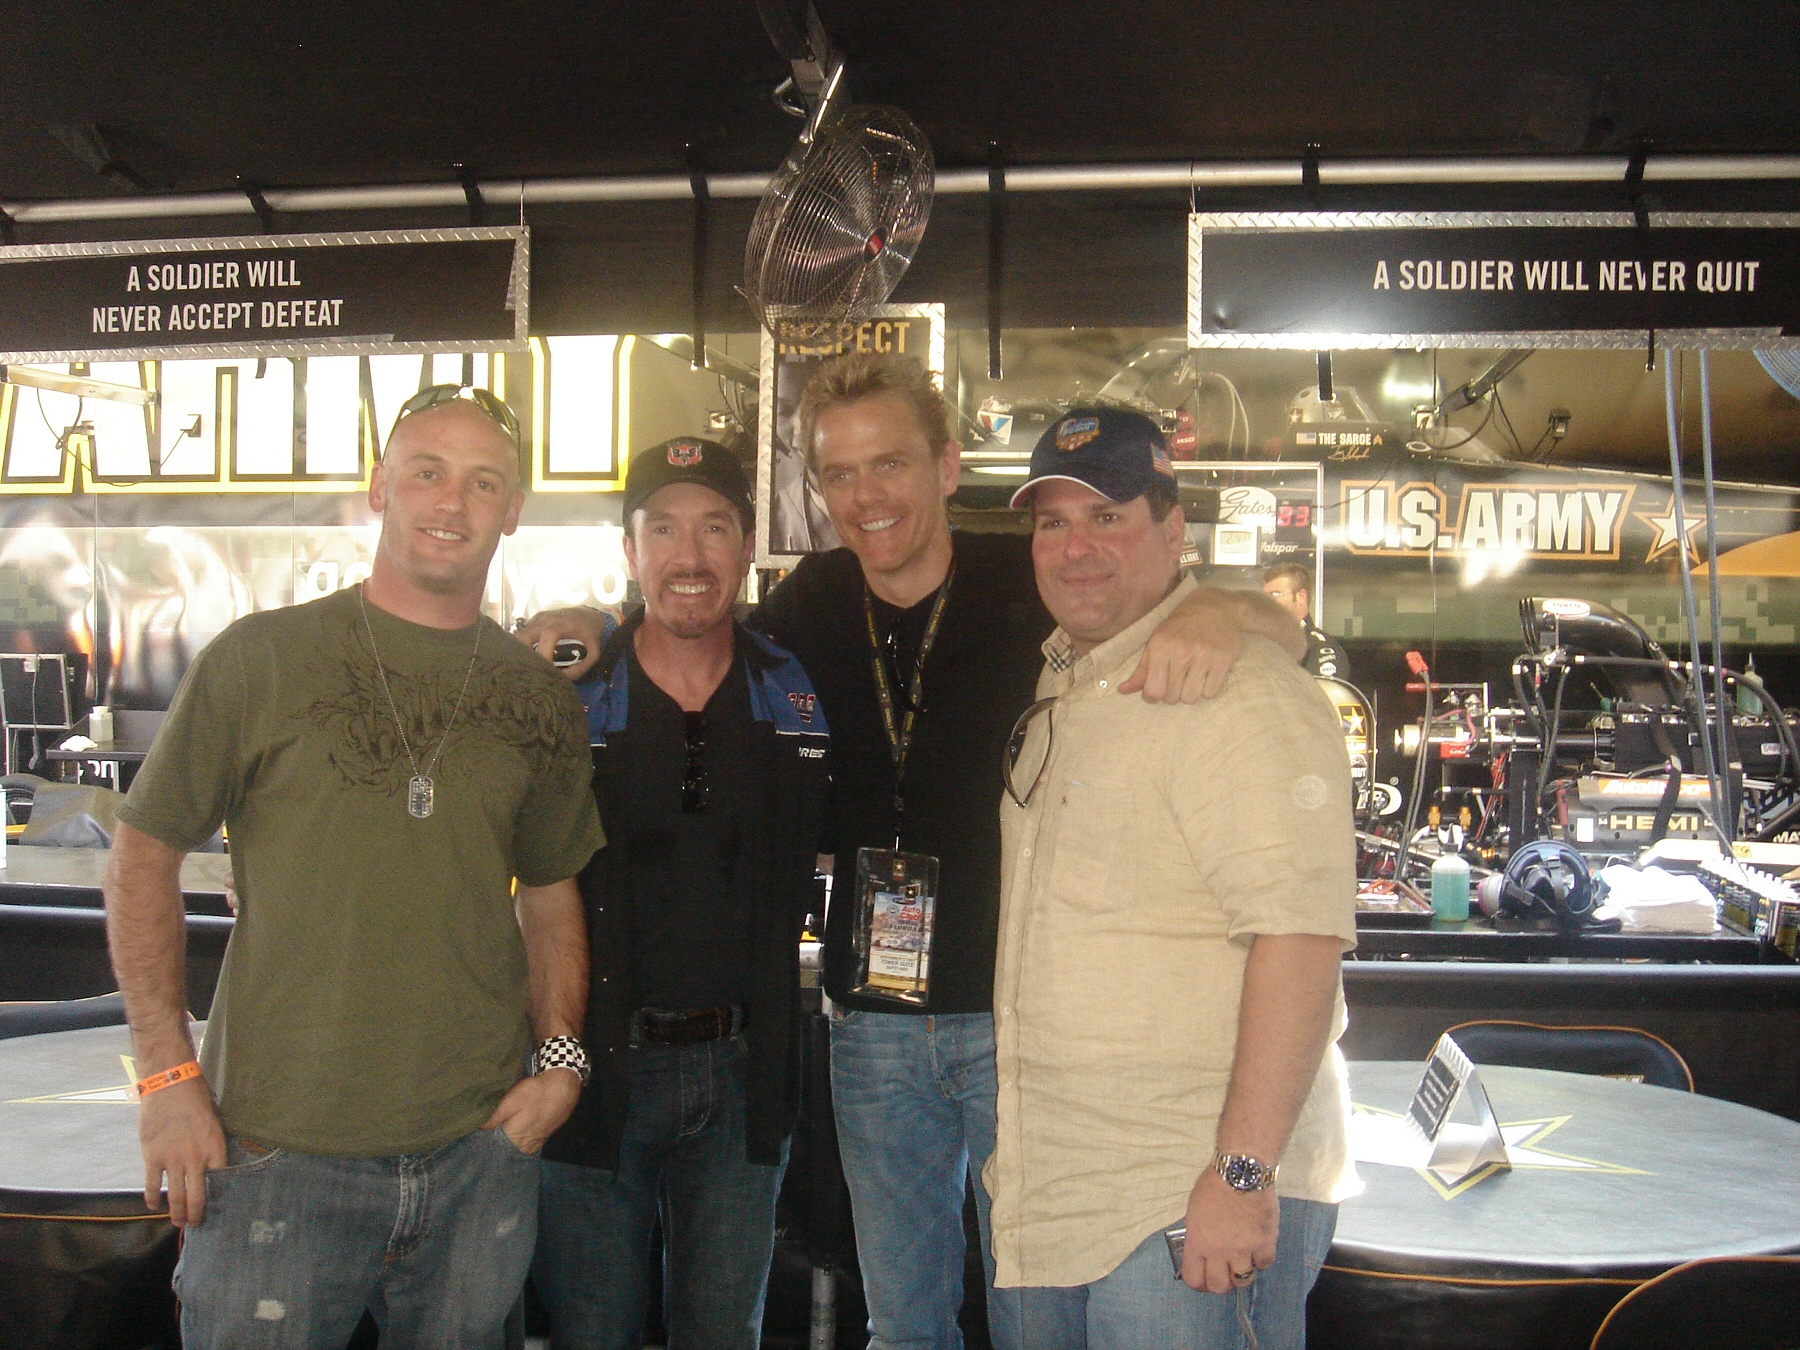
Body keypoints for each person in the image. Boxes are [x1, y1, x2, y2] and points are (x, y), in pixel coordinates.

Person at [516, 353, 1305, 1350]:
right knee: (904, 1323)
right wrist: (590, 631)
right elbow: (691, 634)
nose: (866, 497)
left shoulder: (1034, 587)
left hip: (1018, 1023)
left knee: (1031, 1308)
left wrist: (1224, 606)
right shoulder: (807, 603)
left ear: (946, 464)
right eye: (839, 474)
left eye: (888, 464)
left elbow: (1270, 632)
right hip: (872, 1027)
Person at [103, 385, 605, 1348]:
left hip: (479, 1154)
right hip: (275, 1156)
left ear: (514, 511)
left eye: (483, 481)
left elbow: (549, 896)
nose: (451, 502)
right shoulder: (263, 659)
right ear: (381, 486)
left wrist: (561, 1064)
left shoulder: (536, 698)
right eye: (427, 471)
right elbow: (142, 853)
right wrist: (166, 1076)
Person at [987, 408, 1358, 1349]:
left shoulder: (1244, 691)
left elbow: (1301, 941)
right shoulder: (1072, 684)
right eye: (1052, 522)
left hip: (1181, 1201)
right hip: (1060, 1193)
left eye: (1107, 516)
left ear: (1173, 529)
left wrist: (1240, 1175)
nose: (1075, 548)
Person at [533, 438, 830, 1349]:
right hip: (591, 1072)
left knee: (723, 1332)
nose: (688, 556)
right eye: (662, 528)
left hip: (744, 1078)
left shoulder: (792, 694)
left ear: (746, 548)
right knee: (592, 1329)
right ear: (629, 551)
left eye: (713, 528)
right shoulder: (566, 696)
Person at [1262, 560, 1352, 681]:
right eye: (1265, 596)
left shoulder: (1319, 647)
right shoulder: (1261, 644)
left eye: (1276, 594)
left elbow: (1322, 696)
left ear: (1301, 597)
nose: (1267, 602)